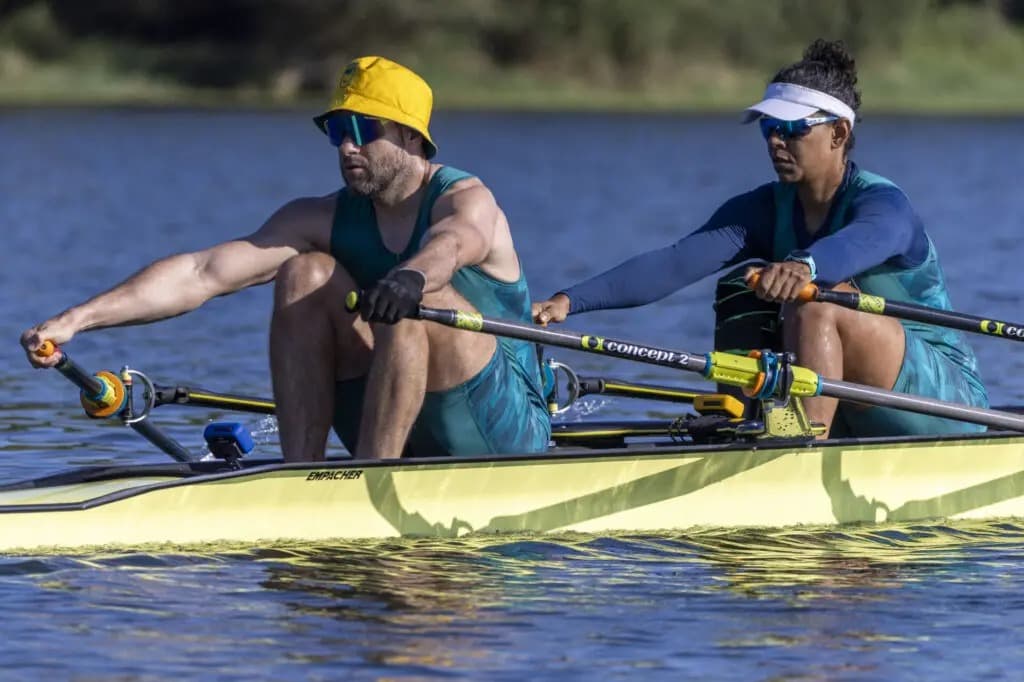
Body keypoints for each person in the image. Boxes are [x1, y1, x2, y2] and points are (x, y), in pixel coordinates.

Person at [20, 55, 551, 460]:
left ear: (412, 137)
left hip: (502, 427)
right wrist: (76, 320)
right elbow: (201, 274)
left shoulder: (466, 198)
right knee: (305, 272)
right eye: (338, 131)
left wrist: (412, 275)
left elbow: (456, 242)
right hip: (392, 409)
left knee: (416, 292)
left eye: (364, 130)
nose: (347, 147)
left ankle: (369, 481)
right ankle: (305, 479)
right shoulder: (319, 218)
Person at [532, 39, 988, 438]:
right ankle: (745, 426)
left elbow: (861, 242)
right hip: (853, 401)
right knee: (740, 287)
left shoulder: (884, 205)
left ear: (839, 133)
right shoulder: (764, 209)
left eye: (792, 129)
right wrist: (568, 302)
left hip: (942, 400)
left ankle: (799, 447)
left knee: (818, 299)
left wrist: (804, 266)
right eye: (769, 129)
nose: (775, 142)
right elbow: (673, 264)